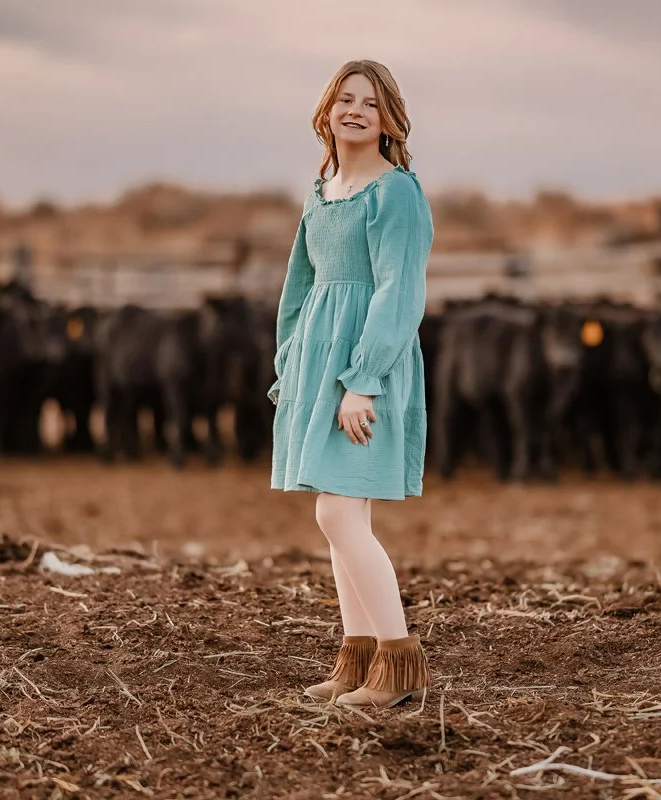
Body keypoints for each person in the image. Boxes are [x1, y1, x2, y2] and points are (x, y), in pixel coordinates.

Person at [267, 60, 434, 708]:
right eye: (345, 99)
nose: (355, 110)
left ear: (388, 118)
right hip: (319, 362)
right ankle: (357, 658)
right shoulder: (323, 188)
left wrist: (362, 381)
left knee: (336, 512)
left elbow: (399, 292)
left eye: (370, 102)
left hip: (368, 364)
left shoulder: (396, 194)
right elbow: (299, 285)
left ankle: (399, 667)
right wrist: (291, 363)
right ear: (327, 112)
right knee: (342, 517)